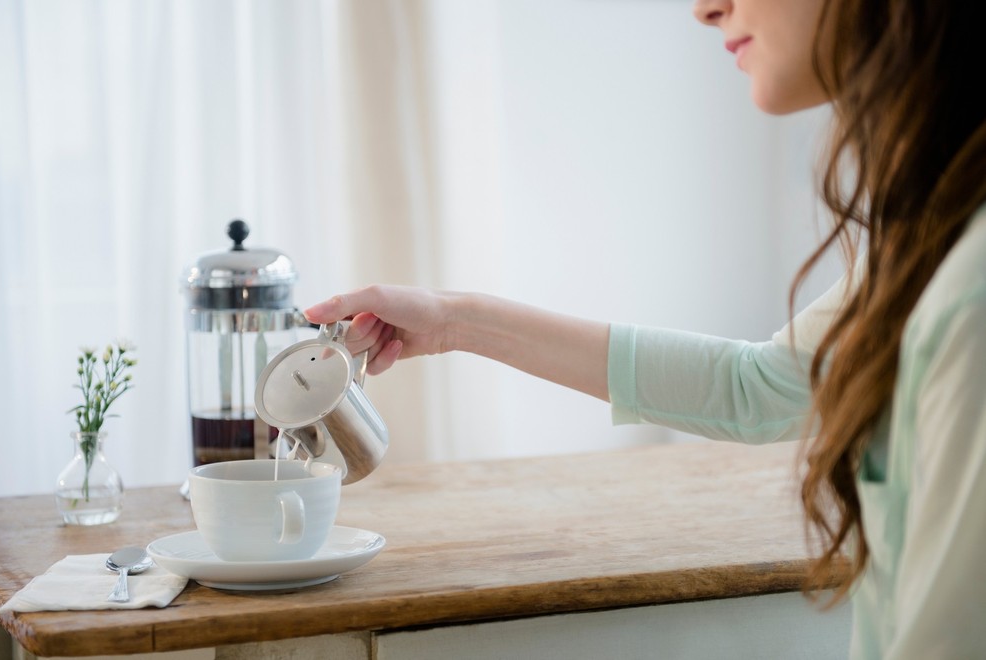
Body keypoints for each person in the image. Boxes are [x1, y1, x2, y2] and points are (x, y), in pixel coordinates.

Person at [305, 0, 986, 657]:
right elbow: (758, 387)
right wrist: (453, 320)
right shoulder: (934, 235)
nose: (706, 8)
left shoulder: (971, 296)